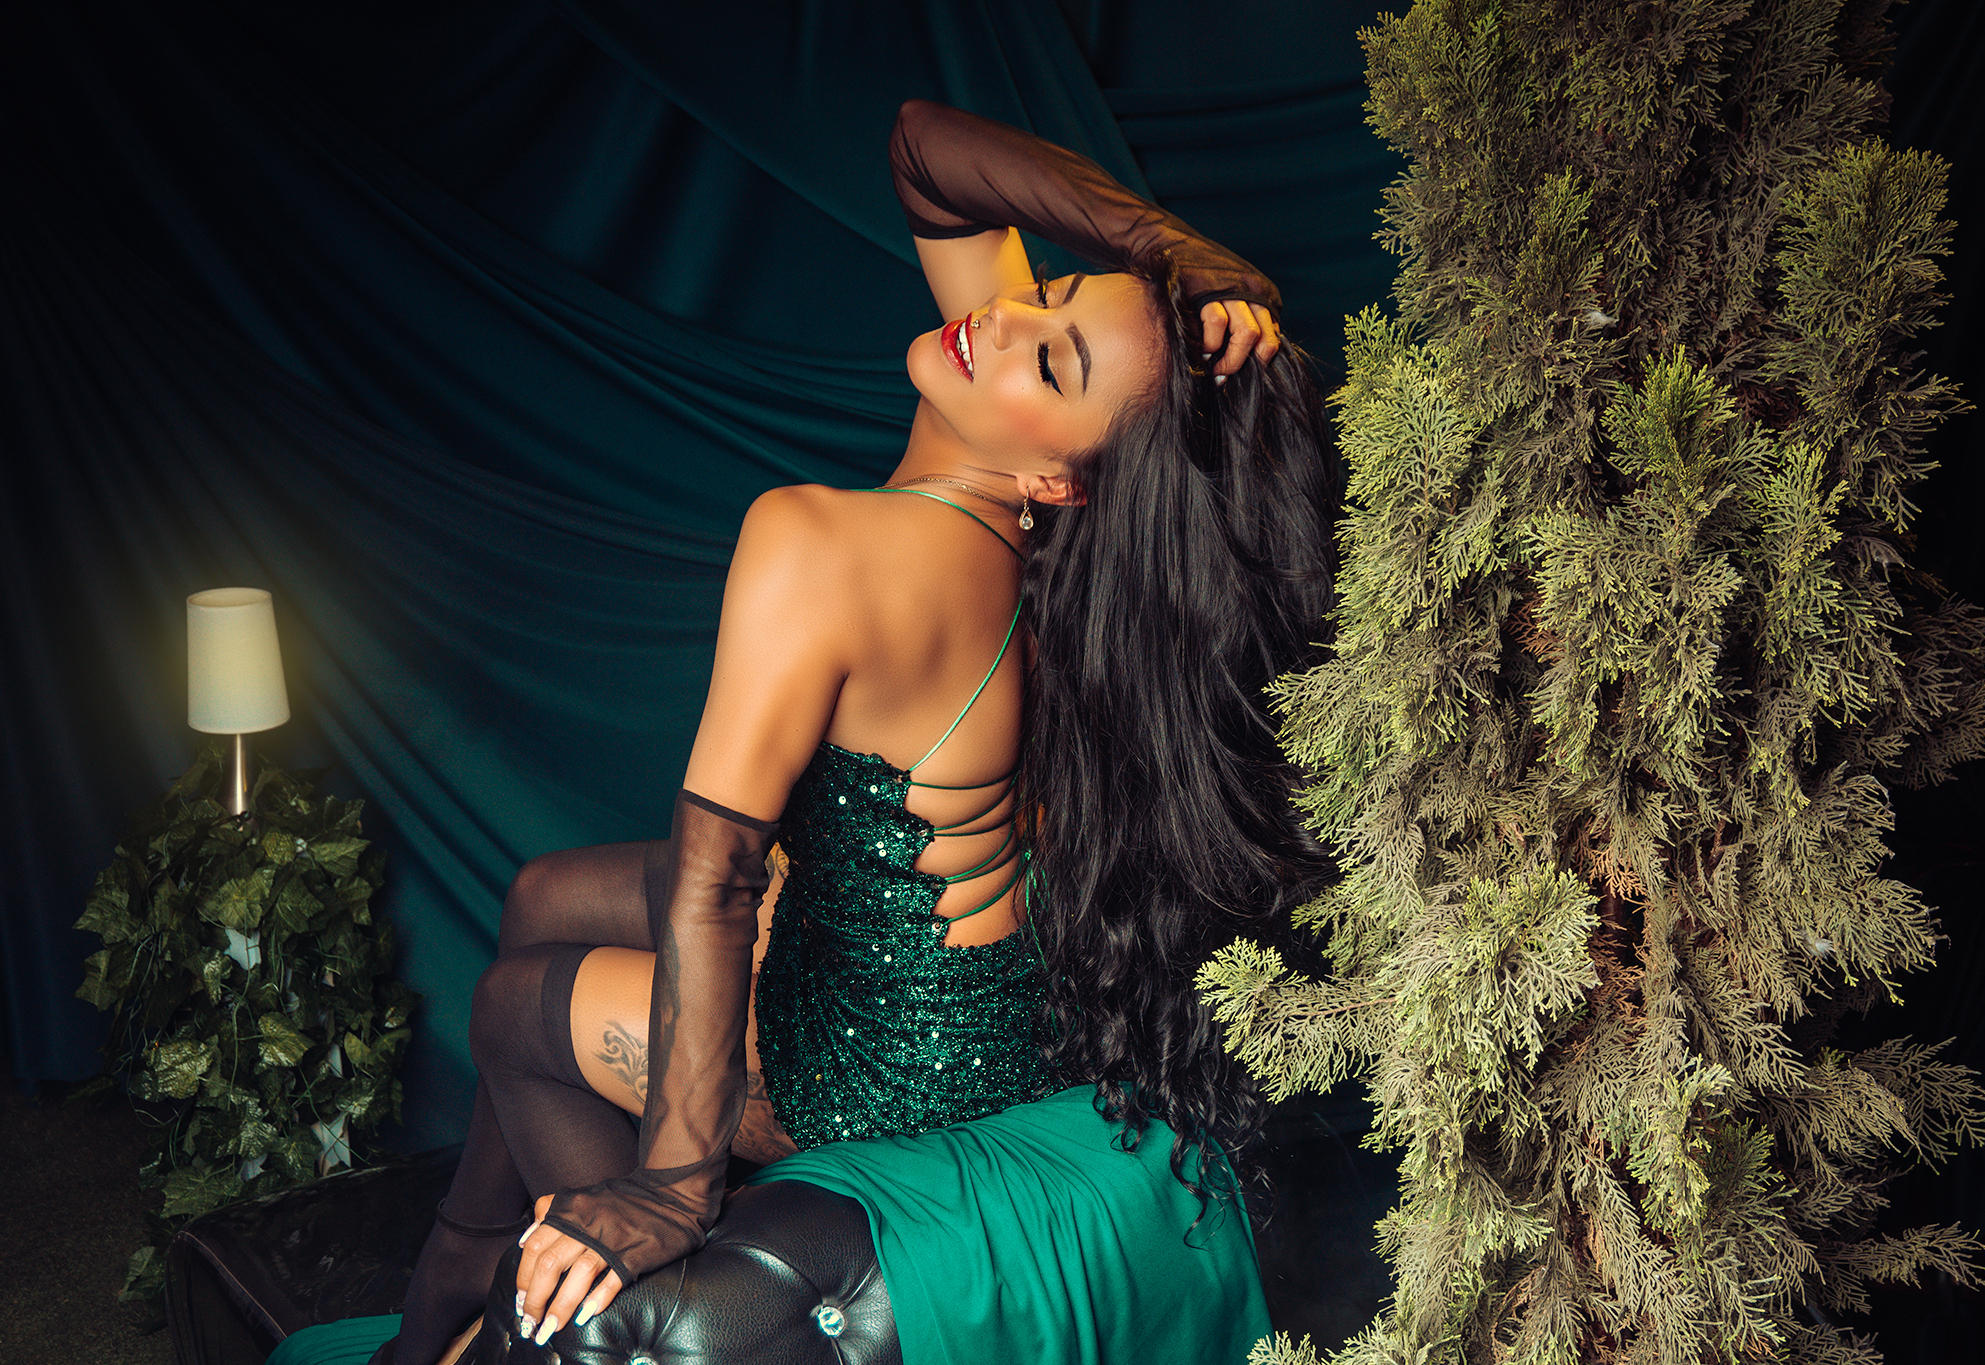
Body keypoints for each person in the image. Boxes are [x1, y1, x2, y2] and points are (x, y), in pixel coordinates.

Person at [347, 98, 1337, 1365]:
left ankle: (532, 1319)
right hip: (977, 994)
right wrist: (1179, 256)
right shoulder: (1026, 498)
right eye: (1050, 292)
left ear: (1058, 478)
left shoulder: (824, 541)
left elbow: (716, 878)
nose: (1005, 321)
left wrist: (667, 1189)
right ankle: (448, 1302)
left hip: (888, 1063)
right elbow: (927, 151)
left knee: (511, 1009)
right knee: (548, 893)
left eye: (1051, 360)